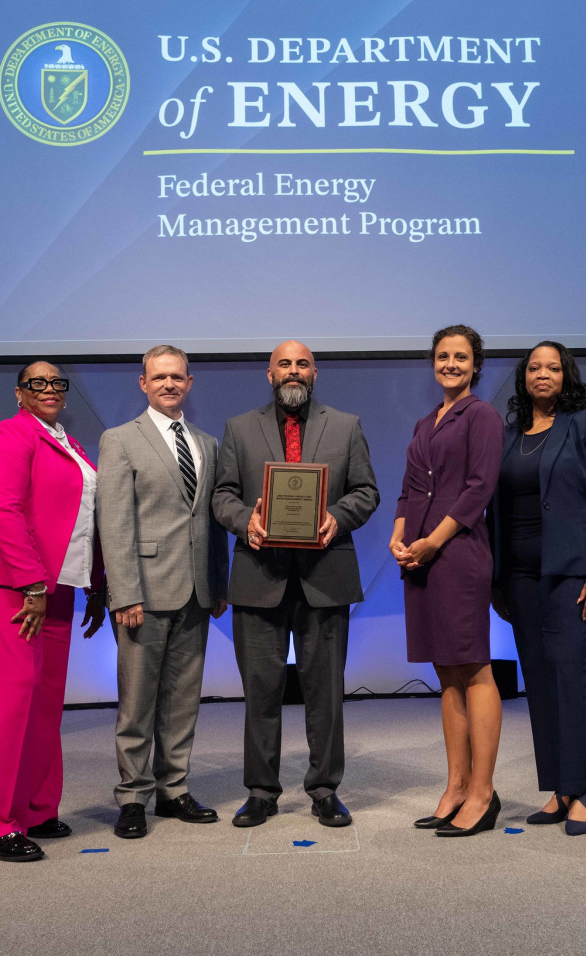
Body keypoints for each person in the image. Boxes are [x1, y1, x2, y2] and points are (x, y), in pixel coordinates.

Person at [212, 340, 379, 828]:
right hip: (258, 577)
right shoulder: (239, 428)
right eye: (283, 363)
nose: (293, 370)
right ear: (269, 374)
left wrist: (337, 517)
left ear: (315, 373)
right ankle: (261, 791)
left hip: (325, 578)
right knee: (260, 693)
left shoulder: (346, 425)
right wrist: (246, 521)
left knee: (325, 695)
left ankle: (325, 789)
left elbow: (366, 491)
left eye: (302, 364)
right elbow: (222, 495)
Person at [0, 361, 106, 862]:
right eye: (36, 383)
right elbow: (3, 510)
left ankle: (36, 809)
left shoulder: (68, 442)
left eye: (56, 382)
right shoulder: (10, 435)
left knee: (43, 703)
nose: (48, 389)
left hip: (57, 587)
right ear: (19, 393)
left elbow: (82, 520)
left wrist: (95, 582)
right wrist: (31, 584)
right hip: (11, 587)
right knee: (7, 702)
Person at [492, 341, 586, 836]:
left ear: (566, 375)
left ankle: (582, 790)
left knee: (572, 678)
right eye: (534, 367)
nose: (542, 374)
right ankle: (558, 789)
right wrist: (495, 576)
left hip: (574, 576)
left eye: (552, 367)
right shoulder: (508, 435)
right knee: (540, 681)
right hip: (519, 577)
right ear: (523, 377)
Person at [96, 345, 229, 840]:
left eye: (177, 377)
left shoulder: (207, 443)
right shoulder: (119, 439)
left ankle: (174, 790)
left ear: (189, 383)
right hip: (143, 594)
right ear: (143, 383)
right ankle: (133, 796)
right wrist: (124, 593)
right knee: (137, 703)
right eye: (159, 377)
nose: (169, 384)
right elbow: (113, 522)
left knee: (182, 700)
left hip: (196, 591)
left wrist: (218, 582)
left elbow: (212, 522)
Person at [390, 325, 505, 837]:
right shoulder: (424, 422)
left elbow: (480, 489)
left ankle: (482, 792)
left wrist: (432, 541)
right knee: (446, 672)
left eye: (460, 357)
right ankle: (456, 785)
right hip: (419, 558)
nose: (450, 364)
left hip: (458, 555)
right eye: (443, 356)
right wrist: (399, 537)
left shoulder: (482, 416)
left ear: (475, 364)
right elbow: (408, 490)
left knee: (474, 668)